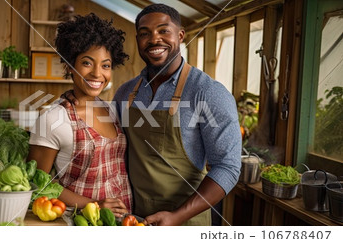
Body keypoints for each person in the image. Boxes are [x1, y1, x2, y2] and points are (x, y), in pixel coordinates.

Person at [63, 4, 241, 226]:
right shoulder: (125, 92)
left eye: (164, 30)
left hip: (185, 223)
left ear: (181, 35)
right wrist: (78, 99)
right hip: (131, 219)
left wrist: (177, 216)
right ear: (138, 40)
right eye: (145, 33)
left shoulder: (208, 93)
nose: (154, 39)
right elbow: (106, 129)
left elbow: (228, 167)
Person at [27, 13, 132, 217]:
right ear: (69, 66)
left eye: (106, 65)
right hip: (79, 221)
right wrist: (95, 205)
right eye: (87, 63)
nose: (97, 74)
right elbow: (37, 183)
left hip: (124, 221)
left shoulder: (113, 110)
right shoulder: (53, 120)